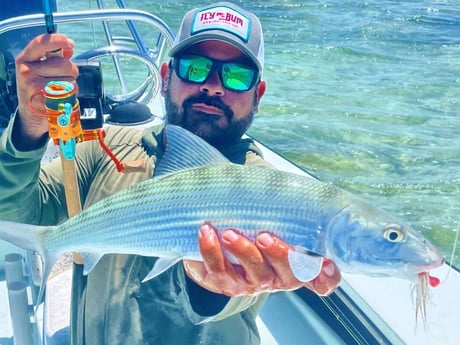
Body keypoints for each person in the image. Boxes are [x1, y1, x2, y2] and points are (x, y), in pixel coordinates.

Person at [0, 2, 341, 344]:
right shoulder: (105, 149)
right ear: (165, 76)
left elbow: (244, 292)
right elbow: (15, 209)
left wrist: (212, 287)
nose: (213, 86)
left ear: (258, 95)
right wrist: (29, 127)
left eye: (236, 76)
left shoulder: (272, 191)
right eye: (195, 69)